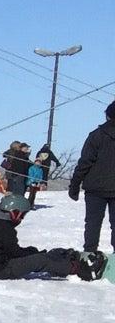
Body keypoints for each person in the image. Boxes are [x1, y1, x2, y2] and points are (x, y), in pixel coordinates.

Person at [0, 194, 105, 281]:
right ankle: (81, 270)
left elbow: (9, 250)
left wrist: (31, 251)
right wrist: (33, 254)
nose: (22, 219)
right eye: (22, 215)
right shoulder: (4, 228)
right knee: (39, 261)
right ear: (15, 213)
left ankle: (62, 260)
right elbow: (15, 253)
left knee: (36, 255)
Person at [68, 100, 115, 254]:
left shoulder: (96, 135)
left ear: (108, 116)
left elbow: (85, 162)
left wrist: (74, 185)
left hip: (95, 188)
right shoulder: (97, 135)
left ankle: (89, 254)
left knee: (93, 223)